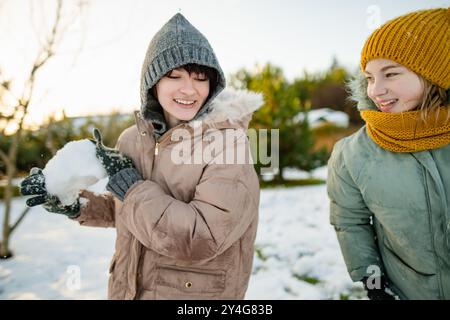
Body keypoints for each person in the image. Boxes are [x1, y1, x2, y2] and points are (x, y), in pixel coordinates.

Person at [20, 13, 262, 300]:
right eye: (174, 75)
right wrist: (75, 203)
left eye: (201, 78)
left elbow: (203, 237)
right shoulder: (132, 139)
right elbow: (126, 210)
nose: (189, 89)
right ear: (153, 81)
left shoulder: (227, 142)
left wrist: (132, 186)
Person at [327, 7, 450, 300]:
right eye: (369, 78)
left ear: (434, 74)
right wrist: (374, 284)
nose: (375, 90)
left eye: (391, 74)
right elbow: (350, 221)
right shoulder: (353, 154)